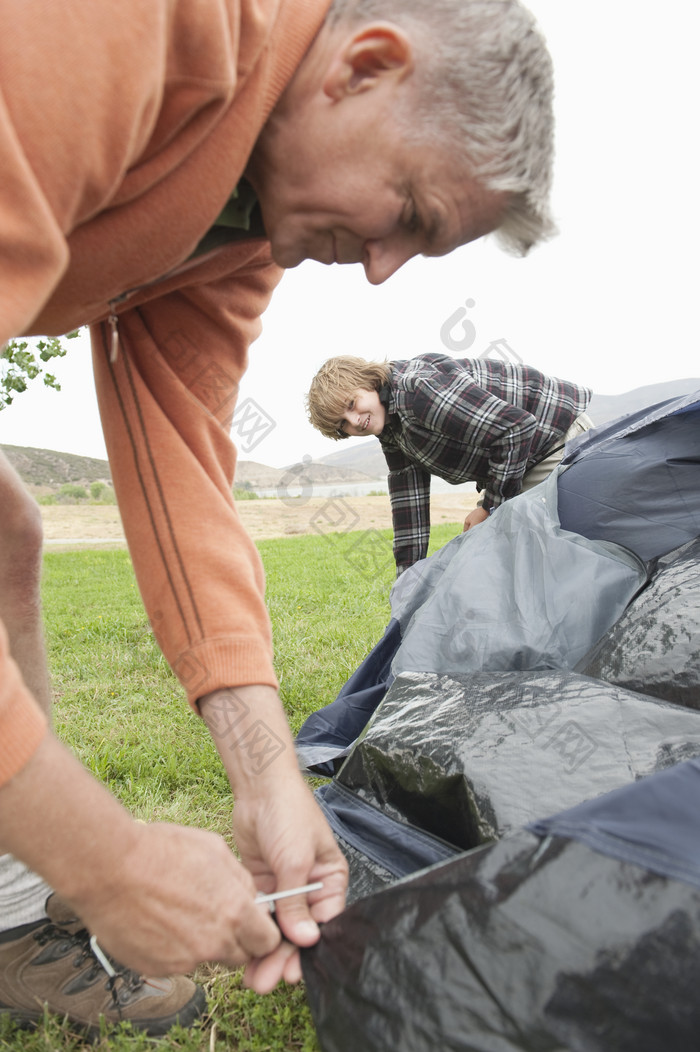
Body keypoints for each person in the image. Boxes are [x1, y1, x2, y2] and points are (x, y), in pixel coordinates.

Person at [0, 0, 556, 1033]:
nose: (383, 268)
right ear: (365, 67)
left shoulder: (246, 230)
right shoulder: (141, 27)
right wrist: (104, 856)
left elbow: (181, 471)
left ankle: (5, 915)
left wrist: (265, 770)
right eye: (411, 213)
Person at [306, 353, 592, 572]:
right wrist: (407, 580)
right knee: (509, 555)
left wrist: (488, 506)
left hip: (556, 439)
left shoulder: (418, 392)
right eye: (343, 424)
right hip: (524, 458)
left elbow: (516, 429)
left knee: (538, 558)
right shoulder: (391, 429)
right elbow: (409, 504)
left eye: (351, 405)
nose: (355, 421)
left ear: (367, 383)